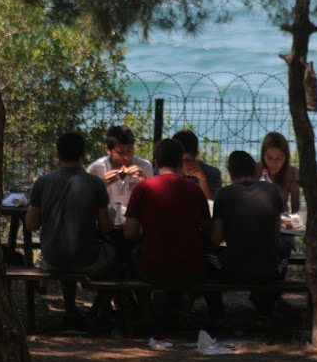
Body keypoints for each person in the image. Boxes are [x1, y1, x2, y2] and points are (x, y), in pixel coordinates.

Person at [25, 132, 116, 327]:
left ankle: (71, 310)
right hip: (87, 259)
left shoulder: (42, 182)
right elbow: (106, 227)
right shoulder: (95, 183)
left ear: (58, 155)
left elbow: (30, 224)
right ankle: (103, 308)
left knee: (64, 248)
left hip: (52, 259)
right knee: (114, 255)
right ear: (83, 153)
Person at [124, 138, 211, 325]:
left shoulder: (142, 188)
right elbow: (207, 229)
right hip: (190, 269)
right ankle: (186, 311)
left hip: (152, 269)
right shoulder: (195, 190)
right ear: (181, 163)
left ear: (156, 163)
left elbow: (129, 234)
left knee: (130, 256)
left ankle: (146, 312)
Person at [211, 150, 284, 327]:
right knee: (282, 258)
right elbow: (276, 233)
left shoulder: (224, 193)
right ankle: (264, 314)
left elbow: (216, 239)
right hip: (267, 271)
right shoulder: (272, 190)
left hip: (232, 270)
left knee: (207, 261)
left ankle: (217, 315)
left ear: (230, 173)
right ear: (255, 171)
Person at [88, 125, 153, 209]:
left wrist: (144, 182)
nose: (126, 157)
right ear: (108, 150)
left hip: (134, 221)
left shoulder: (144, 166)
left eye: (129, 151)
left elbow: (151, 203)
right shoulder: (96, 169)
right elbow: (88, 203)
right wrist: (102, 186)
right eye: (120, 152)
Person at [172, 129, 222, 199]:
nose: (182, 164)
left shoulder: (212, 173)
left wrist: (202, 179)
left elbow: (212, 204)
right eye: (179, 159)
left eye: (187, 160)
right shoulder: (164, 170)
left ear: (196, 155)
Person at [256, 132, 299, 213]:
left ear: (286, 157)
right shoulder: (255, 170)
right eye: (269, 158)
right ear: (263, 156)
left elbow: (295, 208)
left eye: (279, 158)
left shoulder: (292, 172)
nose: (273, 163)